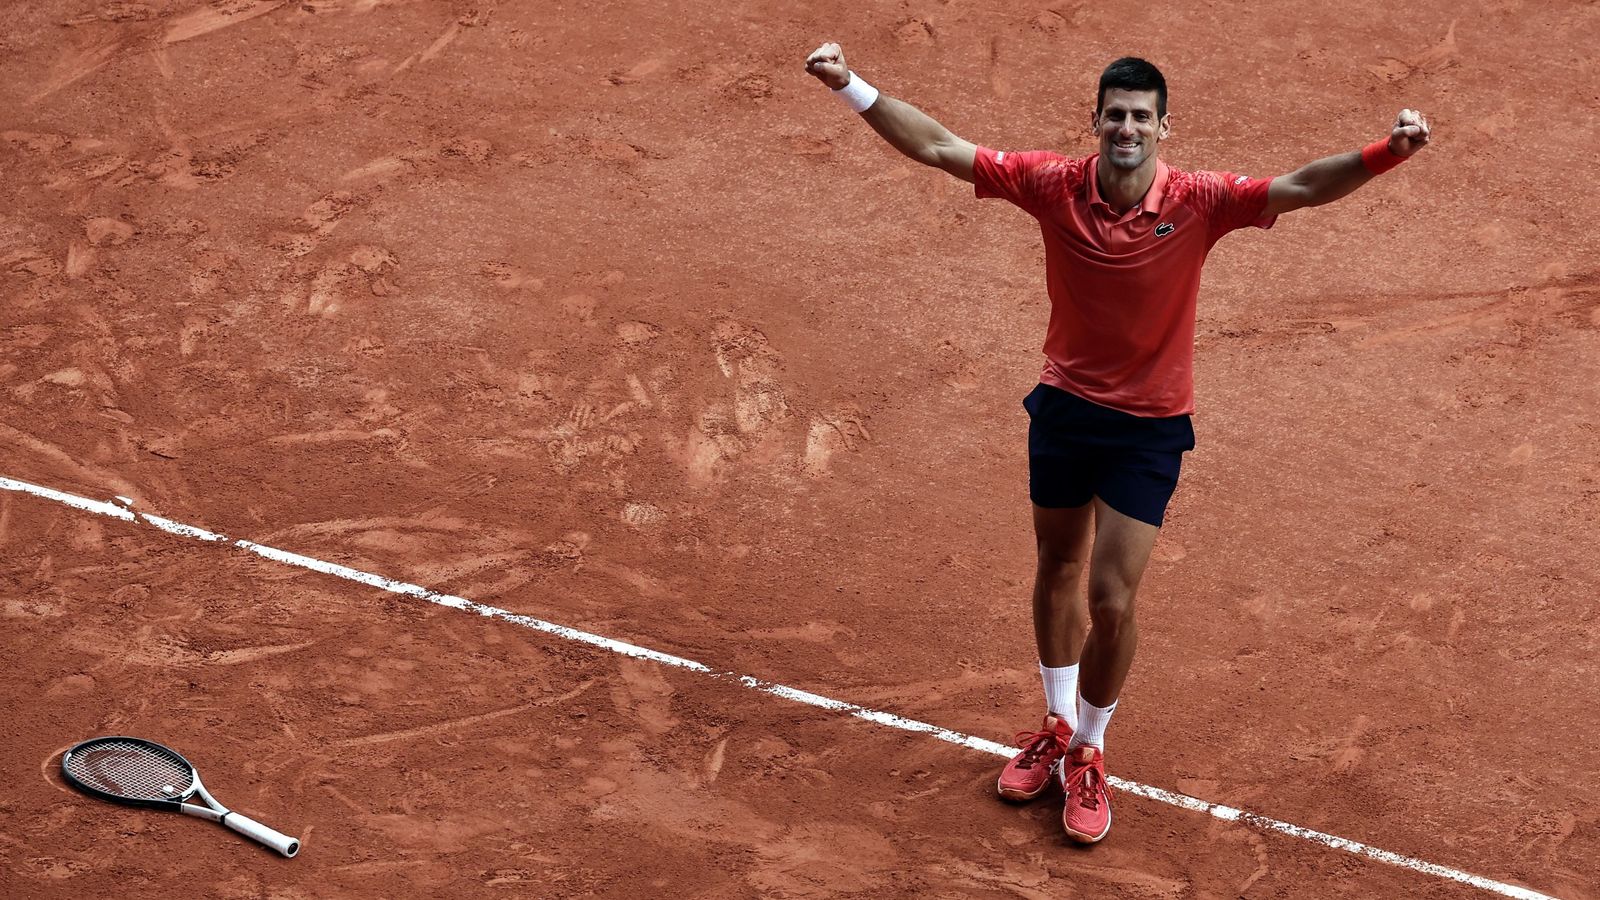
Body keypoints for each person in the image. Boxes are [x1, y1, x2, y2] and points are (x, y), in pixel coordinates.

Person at [804, 42, 1430, 844]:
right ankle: (1058, 727)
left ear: (1164, 128)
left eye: (1140, 116)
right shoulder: (1050, 184)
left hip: (1149, 430)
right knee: (1057, 567)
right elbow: (936, 146)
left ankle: (1093, 748)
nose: (1125, 128)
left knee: (1111, 597)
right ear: (1094, 124)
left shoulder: (1203, 200)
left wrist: (1389, 151)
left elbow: (1304, 186)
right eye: (1114, 115)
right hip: (1065, 409)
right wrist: (848, 83)